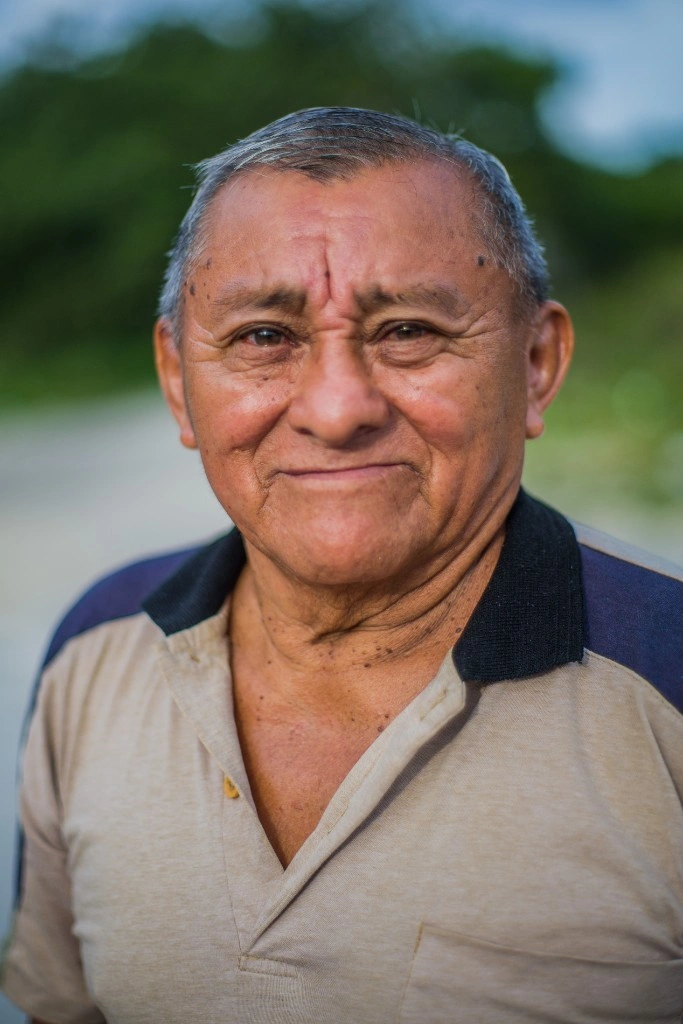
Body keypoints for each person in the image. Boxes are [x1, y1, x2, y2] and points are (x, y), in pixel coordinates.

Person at [2, 107, 682, 1024]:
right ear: (177, 381)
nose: (335, 409)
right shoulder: (100, 644)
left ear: (535, 363)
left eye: (407, 330)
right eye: (263, 338)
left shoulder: (666, 672)